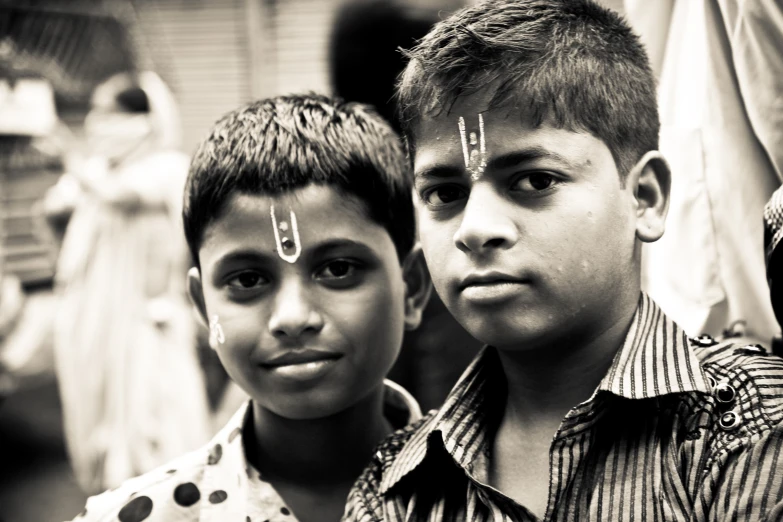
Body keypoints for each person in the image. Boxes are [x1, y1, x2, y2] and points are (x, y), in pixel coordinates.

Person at [343, 1, 783, 520]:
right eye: (444, 193)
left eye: (533, 181)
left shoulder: (754, 424)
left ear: (645, 197)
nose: (476, 228)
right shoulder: (398, 487)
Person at [69, 94, 432, 522]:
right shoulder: (133, 516)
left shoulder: (498, 496)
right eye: (247, 280)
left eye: (337, 269)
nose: (293, 317)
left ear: (410, 287)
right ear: (204, 309)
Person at [49, 71, 212, 494]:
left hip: (146, 323)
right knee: (96, 419)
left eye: (108, 112)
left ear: (142, 118)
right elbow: (60, 230)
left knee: (154, 431)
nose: (95, 122)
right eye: (94, 111)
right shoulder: (92, 172)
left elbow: (119, 196)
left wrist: (72, 158)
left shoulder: (165, 168)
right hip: (92, 321)